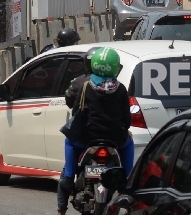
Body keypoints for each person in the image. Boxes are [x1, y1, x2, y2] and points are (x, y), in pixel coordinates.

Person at [57, 47, 134, 215]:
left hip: (87, 138)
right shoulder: (120, 89)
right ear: (115, 67)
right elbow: (127, 120)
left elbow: (76, 112)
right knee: (129, 144)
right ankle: (127, 181)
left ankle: (68, 183)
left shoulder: (86, 86)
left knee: (69, 142)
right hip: (115, 139)